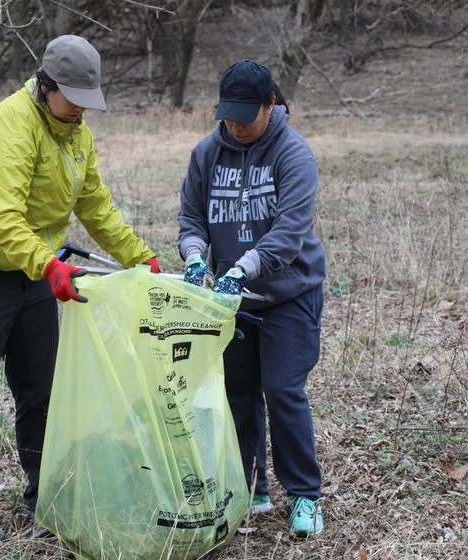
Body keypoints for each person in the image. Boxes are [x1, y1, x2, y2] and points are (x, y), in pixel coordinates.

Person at [0, 35, 160, 550]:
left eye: (88, 101)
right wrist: (49, 265)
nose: (82, 110)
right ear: (47, 85)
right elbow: (5, 218)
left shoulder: (77, 133)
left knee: (42, 397)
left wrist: (137, 255)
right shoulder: (8, 126)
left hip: (37, 281)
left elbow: (96, 204)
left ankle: (46, 500)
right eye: (74, 99)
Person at [177, 60, 326, 537]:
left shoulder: (294, 154)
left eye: (246, 115)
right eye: (228, 116)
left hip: (288, 292)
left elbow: (289, 232)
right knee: (237, 394)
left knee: (282, 391)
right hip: (231, 300)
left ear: (271, 104)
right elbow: (191, 219)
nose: (236, 126)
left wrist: (242, 268)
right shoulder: (206, 153)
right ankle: (250, 486)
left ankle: (304, 494)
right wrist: (197, 257)